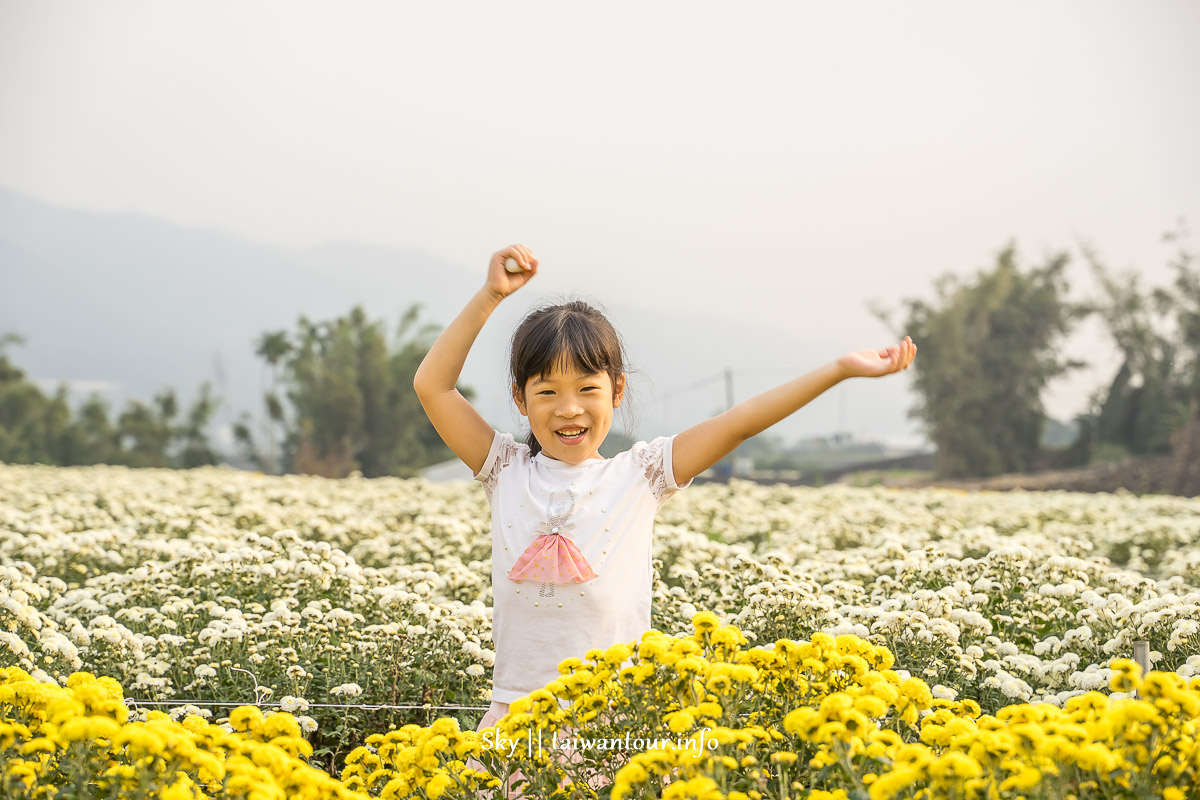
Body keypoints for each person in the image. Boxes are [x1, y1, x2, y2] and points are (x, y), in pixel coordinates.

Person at [412, 243, 916, 790]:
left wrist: (839, 369)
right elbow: (432, 386)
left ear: (617, 391)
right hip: (515, 721)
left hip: (615, 725)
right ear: (520, 399)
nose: (569, 408)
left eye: (587, 389)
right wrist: (490, 296)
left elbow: (740, 422)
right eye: (547, 392)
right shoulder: (504, 469)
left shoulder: (642, 474)